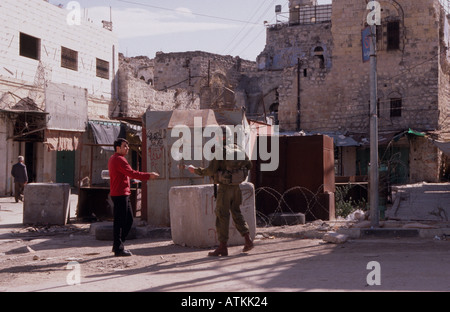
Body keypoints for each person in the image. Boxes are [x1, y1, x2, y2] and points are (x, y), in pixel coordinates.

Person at [188, 126, 254, 257]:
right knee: (236, 212)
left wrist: (195, 170)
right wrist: (236, 172)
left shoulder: (220, 151)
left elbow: (210, 171)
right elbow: (249, 165)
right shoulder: (237, 148)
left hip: (224, 189)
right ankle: (248, 240)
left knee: (222, 215)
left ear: (219, 137)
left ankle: (222, 247)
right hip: (236, 188)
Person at [108, 138, 159, 257]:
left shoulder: (113, 159)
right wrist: (148, 176)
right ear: (118, 148)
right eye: (125, 146)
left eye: (127, 146)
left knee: (128, 220)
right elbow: (131, 173)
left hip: (122, 193)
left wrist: (131, 179)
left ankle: (118, 244)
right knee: (120, 222)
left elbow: (125, 175)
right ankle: (118, 248)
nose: (127, 148)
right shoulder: (119, 159)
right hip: (120, 194)